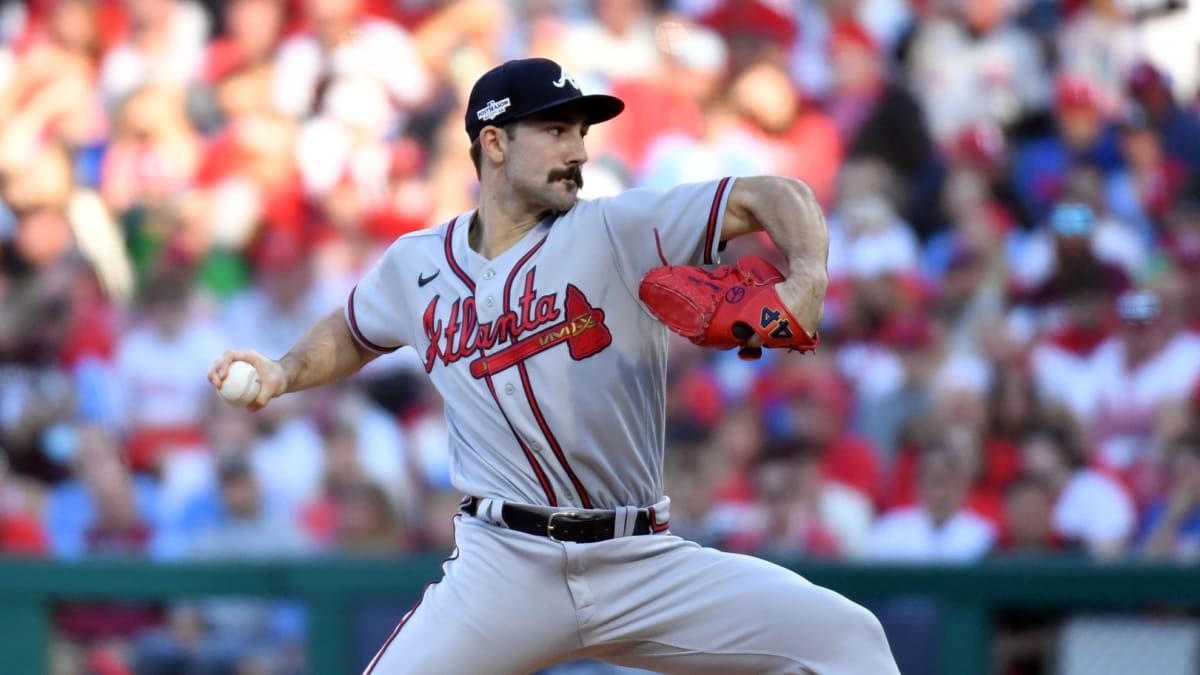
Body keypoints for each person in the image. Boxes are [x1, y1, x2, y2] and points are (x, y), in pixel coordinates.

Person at [209, 57, 898, 674]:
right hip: (504, 567)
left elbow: (776, 194)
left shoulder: (617, 229)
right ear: (495, 142)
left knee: (846, 640)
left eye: (581, 132)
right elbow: (355, 331)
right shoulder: (416, 264)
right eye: (557, 130)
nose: (578, 150)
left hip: (638, 560)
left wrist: (806, 279)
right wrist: (283, 371)